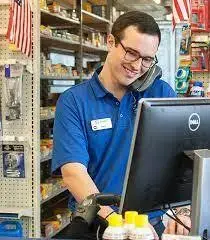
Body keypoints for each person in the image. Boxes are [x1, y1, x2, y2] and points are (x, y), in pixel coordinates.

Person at [52, 10, 190, 239]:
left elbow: (182, 158)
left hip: (150, 225)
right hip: (97, 223)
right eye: (131, 53)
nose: (137, 66)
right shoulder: (74, 101)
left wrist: (185, 211)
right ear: (110, 42)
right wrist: (119, 223)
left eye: (147, 59)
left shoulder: (160, 94)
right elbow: (73, 174)